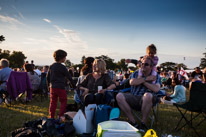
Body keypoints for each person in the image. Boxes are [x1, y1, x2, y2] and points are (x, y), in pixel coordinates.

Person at [116, 56, 161, 131]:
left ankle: (143, 124)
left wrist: (142, 81)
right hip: (133, 97)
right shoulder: (136, 73)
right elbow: (132, 82)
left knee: (148, 95)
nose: (143, 65)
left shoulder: (155, 75)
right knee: (119, 96)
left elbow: (156, 89)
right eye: (142, 64)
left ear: (151, 66)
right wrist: (145, 79)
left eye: (146, 64)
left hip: (146, 100)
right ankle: (133, 122)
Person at [47, 49, 76, 119]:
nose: (65, 59)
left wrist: (48, 86)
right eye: (65, 57)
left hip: (52, 87)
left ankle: (51, 117)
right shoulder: (63, 67)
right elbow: (69, 77)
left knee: (53, 102)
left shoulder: (51, 66)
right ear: (62, 58)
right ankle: (60, 116)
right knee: (63, 101)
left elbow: (47, 77)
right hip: (60, 87)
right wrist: (74, 86)